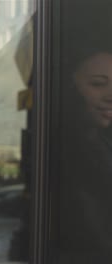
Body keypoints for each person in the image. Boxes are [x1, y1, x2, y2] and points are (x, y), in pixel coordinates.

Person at [58, 48, 112, 262]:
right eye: (98, 84)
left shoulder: (101, 143)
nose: (110, 95)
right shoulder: (61, 150)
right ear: (71, 87)